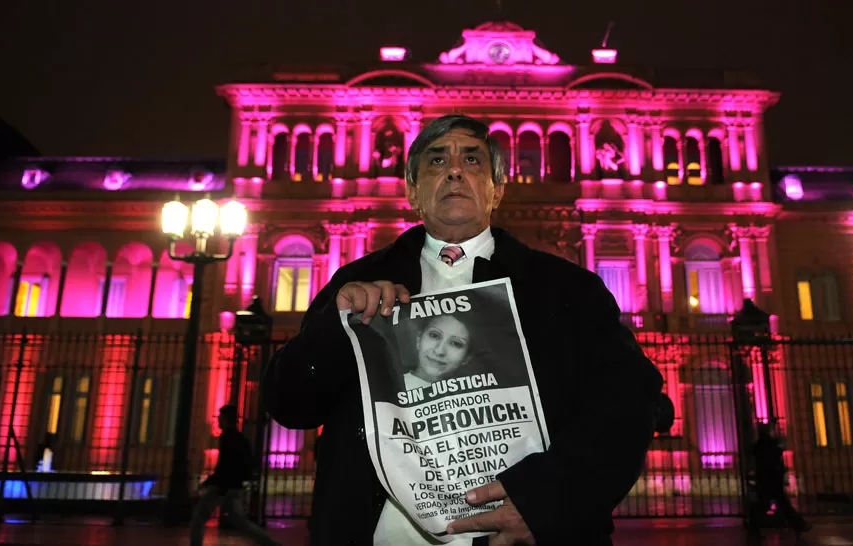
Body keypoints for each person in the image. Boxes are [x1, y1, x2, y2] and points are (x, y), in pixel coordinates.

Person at [263, 114, 664, 546]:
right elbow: (290, 404)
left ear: (498, 188)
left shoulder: (567, 290)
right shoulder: (356, 281)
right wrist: (335, 328)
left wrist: (547, 501)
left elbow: (626, 406)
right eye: (437, 161)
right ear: (413, 191)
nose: (454, 170)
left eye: (472, 160)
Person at [189, 405, 281, 546]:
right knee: (241, 522)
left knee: (199, 517)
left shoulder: (227, 438)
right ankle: (270, 543)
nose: (218, 421)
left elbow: (223, 466)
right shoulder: (240, 438)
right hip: (234, 486)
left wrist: (208, 482)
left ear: (225, 419)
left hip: (221, 486)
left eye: (220, 418)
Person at [747, 422, 811, 539]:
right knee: (780, 504)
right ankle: (799, 525)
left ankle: (753, 528)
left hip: (766, 479)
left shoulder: (760, 445)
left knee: (768, 504)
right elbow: (776, 455)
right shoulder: (769, 444)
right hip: (772, 479)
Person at [404, 314, 473, 390]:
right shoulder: (395, 386)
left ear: (467, 358)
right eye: (434, 335)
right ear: (419, 339)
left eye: (456, 344)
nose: (439, 351)